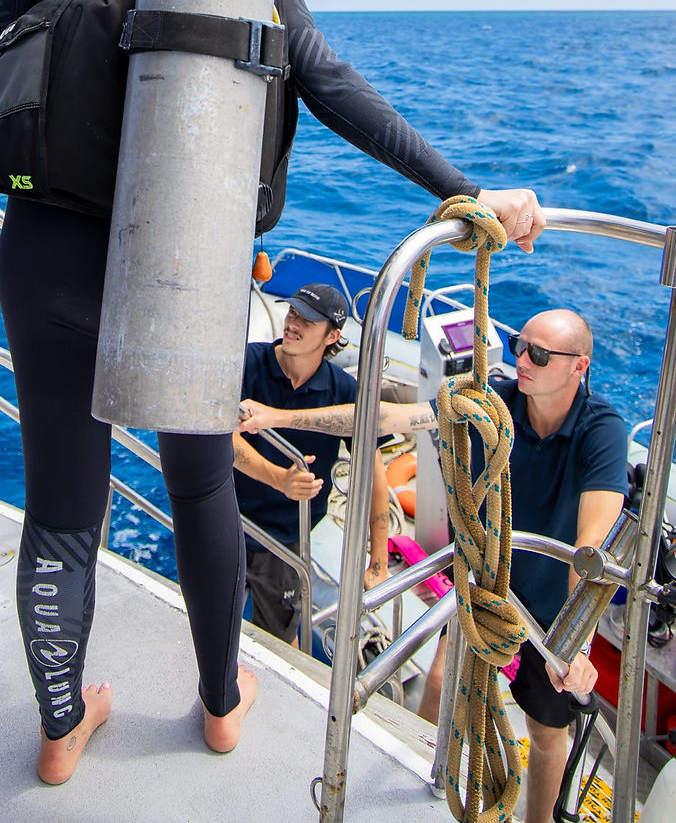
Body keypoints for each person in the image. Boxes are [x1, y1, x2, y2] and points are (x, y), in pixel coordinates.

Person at [0, 0, 544, 786]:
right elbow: (327, 80)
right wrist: (461, 189)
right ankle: (218, 705)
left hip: (47, 251)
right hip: (188, 256)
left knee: (62, 502)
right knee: (202, 483)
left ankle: (59, 727)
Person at [238, 307, 628, 823]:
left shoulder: (601, 431)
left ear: (579, 367)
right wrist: (278, 418)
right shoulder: (494, 401)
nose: (521, 361)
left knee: (545, 733)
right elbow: (382, 419)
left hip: (553, 611)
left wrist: (576, 641)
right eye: (517, 345)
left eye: (538, 354)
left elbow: (589, 548)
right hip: (487, 584)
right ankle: (423, 790)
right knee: (443, 684)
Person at [232, 283, 390, 644]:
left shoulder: (344, 392)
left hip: (288, 540)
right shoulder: (247, 363)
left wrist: (378, 560)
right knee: (204, 627)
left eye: (307, 320)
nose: (292, 324)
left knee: (278, 641)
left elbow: (373, 473)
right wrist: (279, 478)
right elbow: (221, 438)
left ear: (333, 335)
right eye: (292, 313)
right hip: (227, 520)